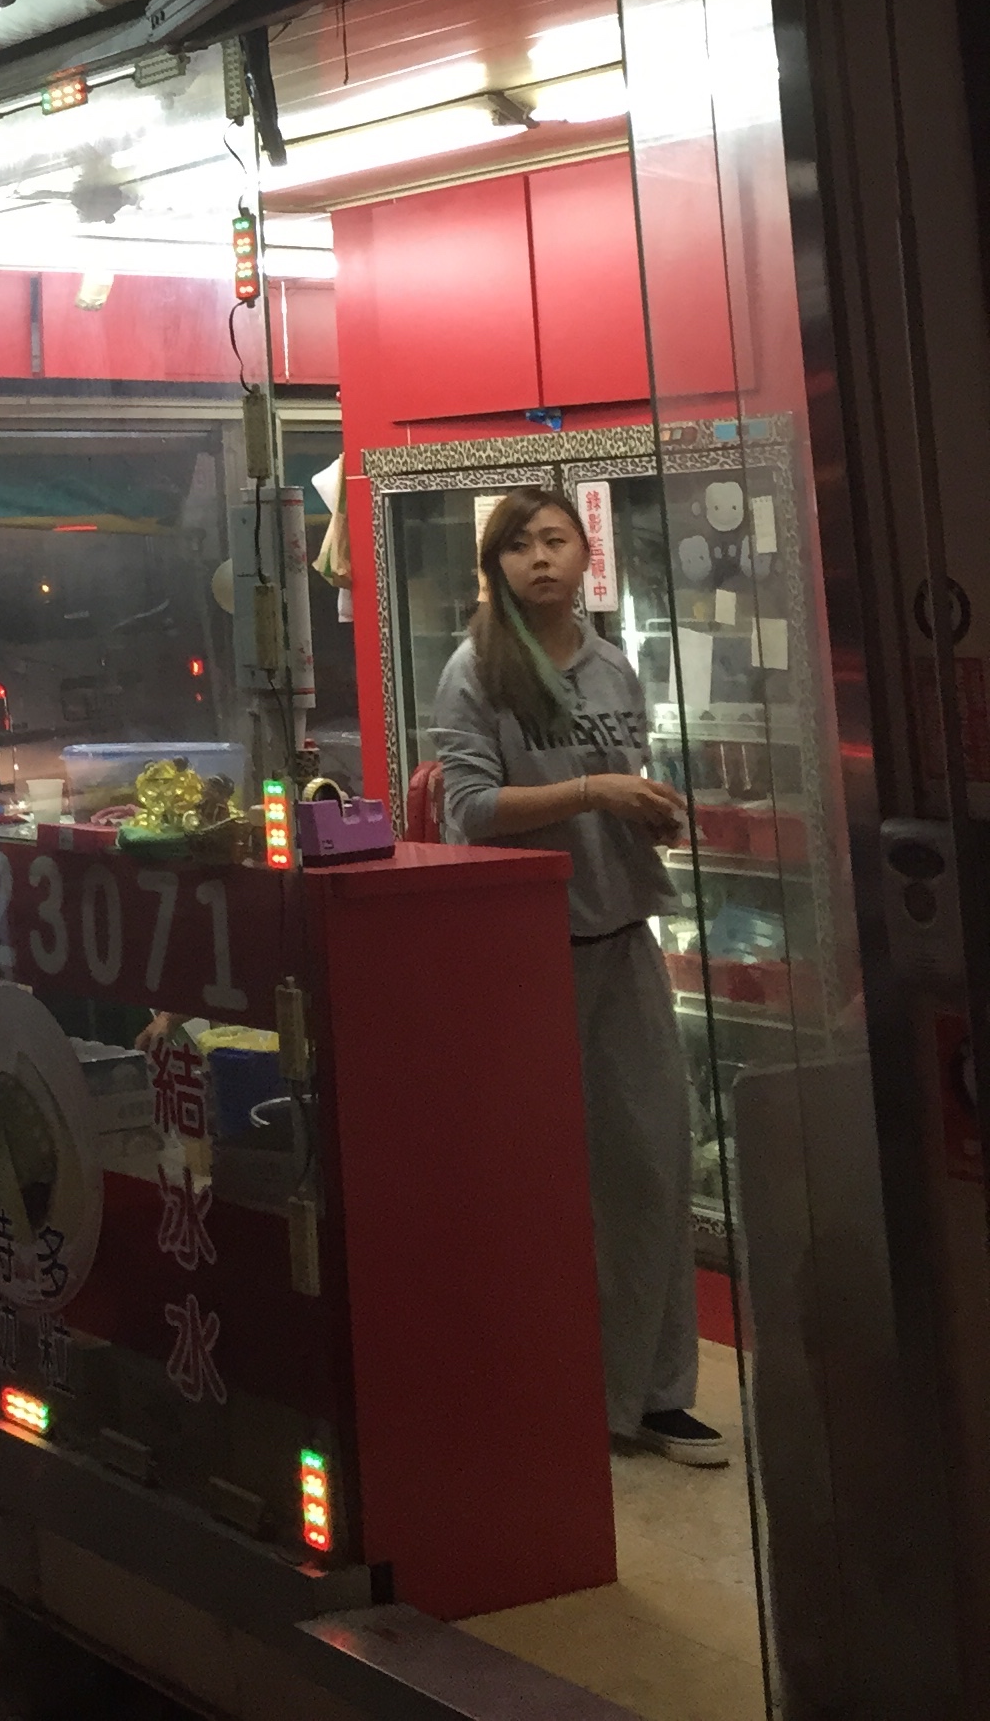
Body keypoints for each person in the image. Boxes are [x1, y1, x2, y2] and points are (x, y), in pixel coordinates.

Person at [432, 486, 727, 1467]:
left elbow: (621, 790)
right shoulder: (474, 672)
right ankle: (556, 1390)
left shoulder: (614, 670)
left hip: (623, 941)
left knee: (651, 1170)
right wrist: (599, 788)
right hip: (522, 958)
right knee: (537, 1187)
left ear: (584, 554)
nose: (540, 559)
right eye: (519, 545)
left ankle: (655, 1395)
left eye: (555, 539)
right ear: (496, 567)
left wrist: (645, 808)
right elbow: (470, 812)